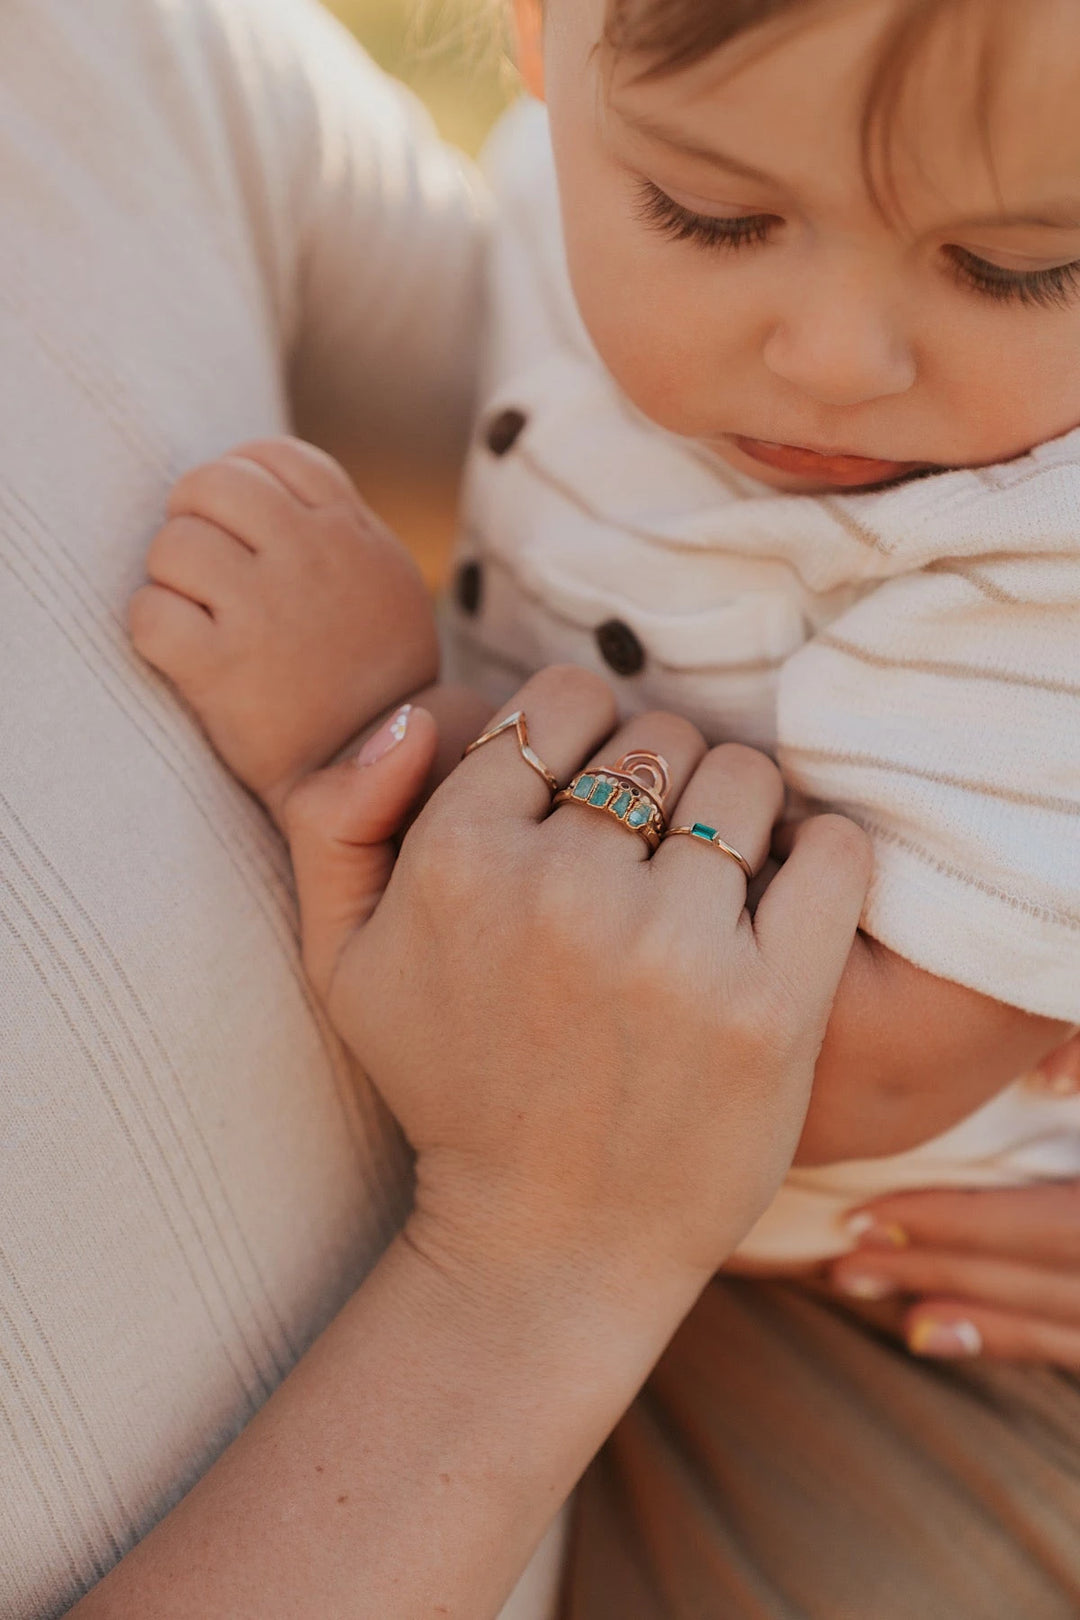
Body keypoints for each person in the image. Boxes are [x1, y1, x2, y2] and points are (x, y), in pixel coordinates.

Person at [127, 0, 1080, 1613]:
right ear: (540, 48)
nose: (841, 358)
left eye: (1018, 267)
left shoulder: (1033, 545)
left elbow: (853, 1063)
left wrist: (374, 725)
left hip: (888, 1304)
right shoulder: (546, 191)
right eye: (712, 217)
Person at [0, 0, 866, 1614]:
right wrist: (546, 1264)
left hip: (760, 1388)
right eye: (706, 212)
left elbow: (661, 372)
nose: (837, 349)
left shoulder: (92, 48)